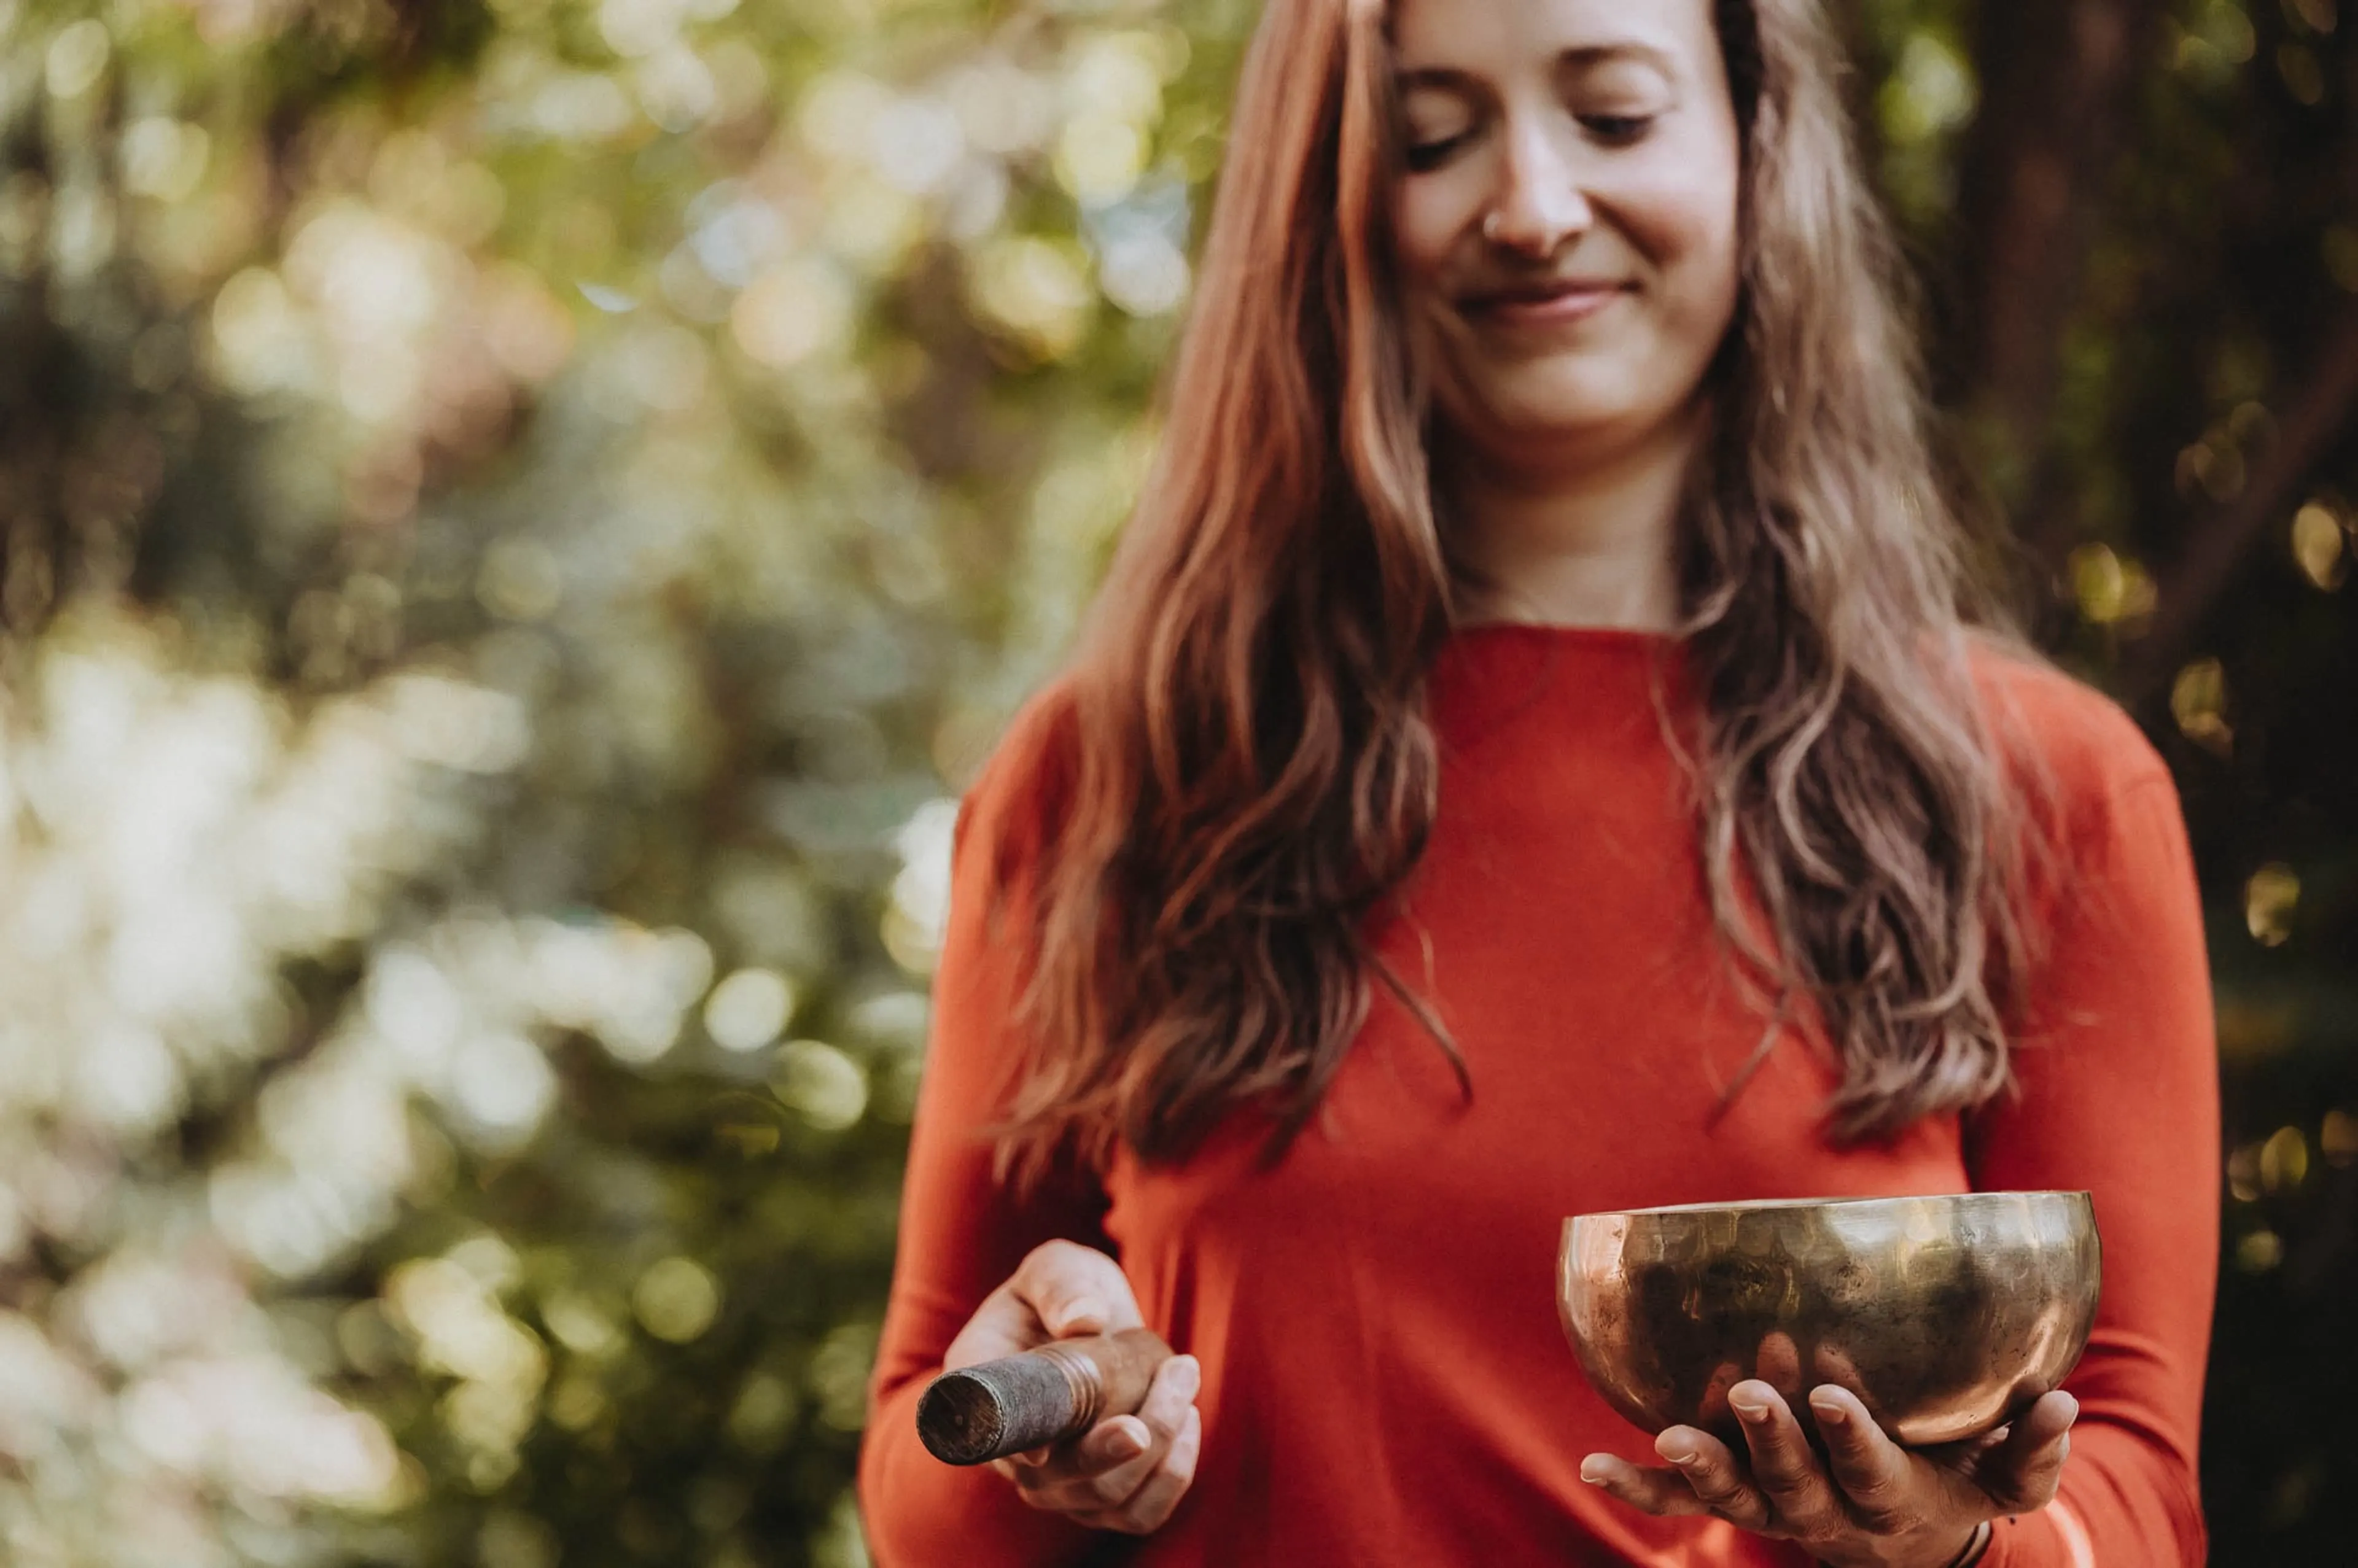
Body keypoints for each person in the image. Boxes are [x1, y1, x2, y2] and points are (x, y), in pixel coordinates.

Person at [857, 0, 2217, 1561]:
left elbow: (2137, 1491)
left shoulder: (2048, 789)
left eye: (1616, 118)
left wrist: (1953, 1544)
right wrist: (1024, 1438)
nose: (1533, 207)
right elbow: (919, 1479)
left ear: (1757, 148)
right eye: (1435, 138)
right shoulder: (1116, 778)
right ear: (1334, 202)